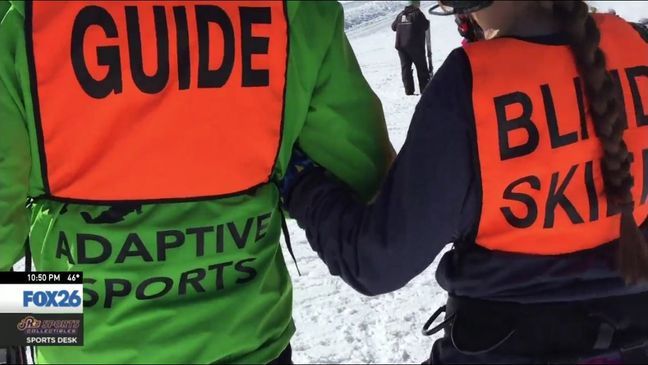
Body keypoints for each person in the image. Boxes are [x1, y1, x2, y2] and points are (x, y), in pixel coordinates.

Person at [0, 1, 393, 363]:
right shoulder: (295, 10)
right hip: (248, 339)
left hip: (88, 343)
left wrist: (27, 318)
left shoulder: (22, 17)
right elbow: (363, 178)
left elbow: (5, 239)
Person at [284, 0, 648, 363]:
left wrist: (302, 182)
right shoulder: (636, 45)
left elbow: (377, 261)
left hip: (501, 345)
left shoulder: (470, 85)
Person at [392, 0, 430, 95]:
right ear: (415, 4)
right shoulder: (417, 14)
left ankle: (408, 90)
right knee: (421, 68)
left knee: (405, 68)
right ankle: (424, 89)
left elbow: (393, 27)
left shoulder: (400, 15)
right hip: (415, 46)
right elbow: (425, 25)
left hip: (401, 46)